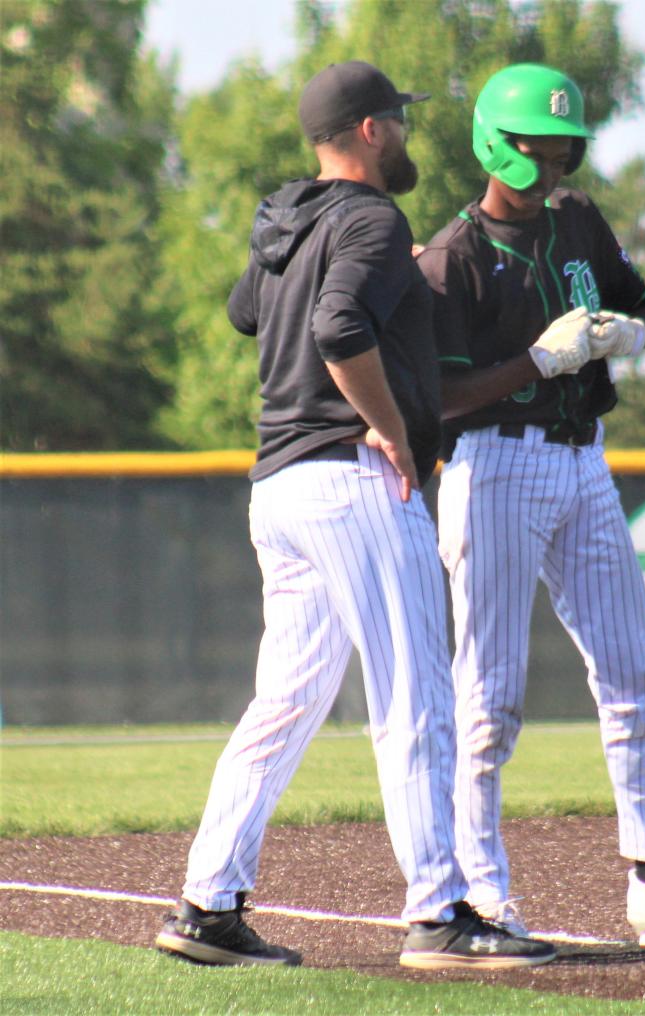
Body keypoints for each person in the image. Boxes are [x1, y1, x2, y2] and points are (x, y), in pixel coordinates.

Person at [155, 60, 555, 971]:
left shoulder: (285, 219)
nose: (408, 135)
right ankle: (440, 914)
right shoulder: (374, 216)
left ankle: (207, 906)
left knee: (286, 702)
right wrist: (392, 430)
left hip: (280, 487)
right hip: (351, 481)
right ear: (371, 131)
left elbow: (247, 313)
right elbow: (340, 330)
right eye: (399, 122)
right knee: (416, 694)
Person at [416, 63, 645, 939]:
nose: (550, 166)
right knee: (489, 694)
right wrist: (537, 362)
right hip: (493, 465)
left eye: (562, 149)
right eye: (535, 151)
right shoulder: (450, 259)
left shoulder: (576, 219)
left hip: (583, 461)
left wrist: (632, 334)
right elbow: (438, 399)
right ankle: (481, 888)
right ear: (495, 146)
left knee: (634, 669)